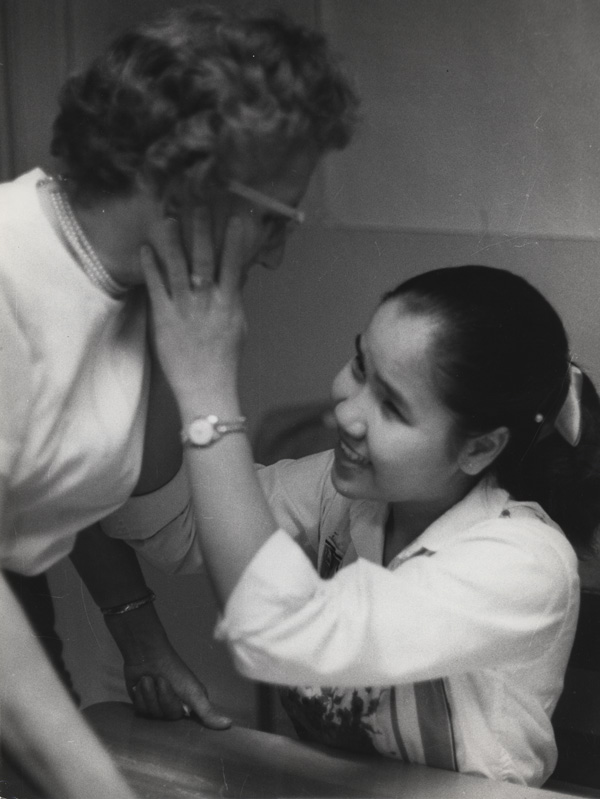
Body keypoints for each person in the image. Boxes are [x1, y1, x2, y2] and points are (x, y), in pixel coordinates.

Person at [0, 4, 358, 797]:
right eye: (277, 216)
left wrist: (141, 634)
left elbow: (44, 482)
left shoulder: (135, 289)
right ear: (183, 181)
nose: (278, 251)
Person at [142, 230, 600, 786]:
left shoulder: (527, 560)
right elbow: (179, 529)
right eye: (360, 366)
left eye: (393, 406)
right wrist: (148, 356)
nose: (345, 409)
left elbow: (285, 634)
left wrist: (207, 394)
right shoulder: (348, 494)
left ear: (479, 448)